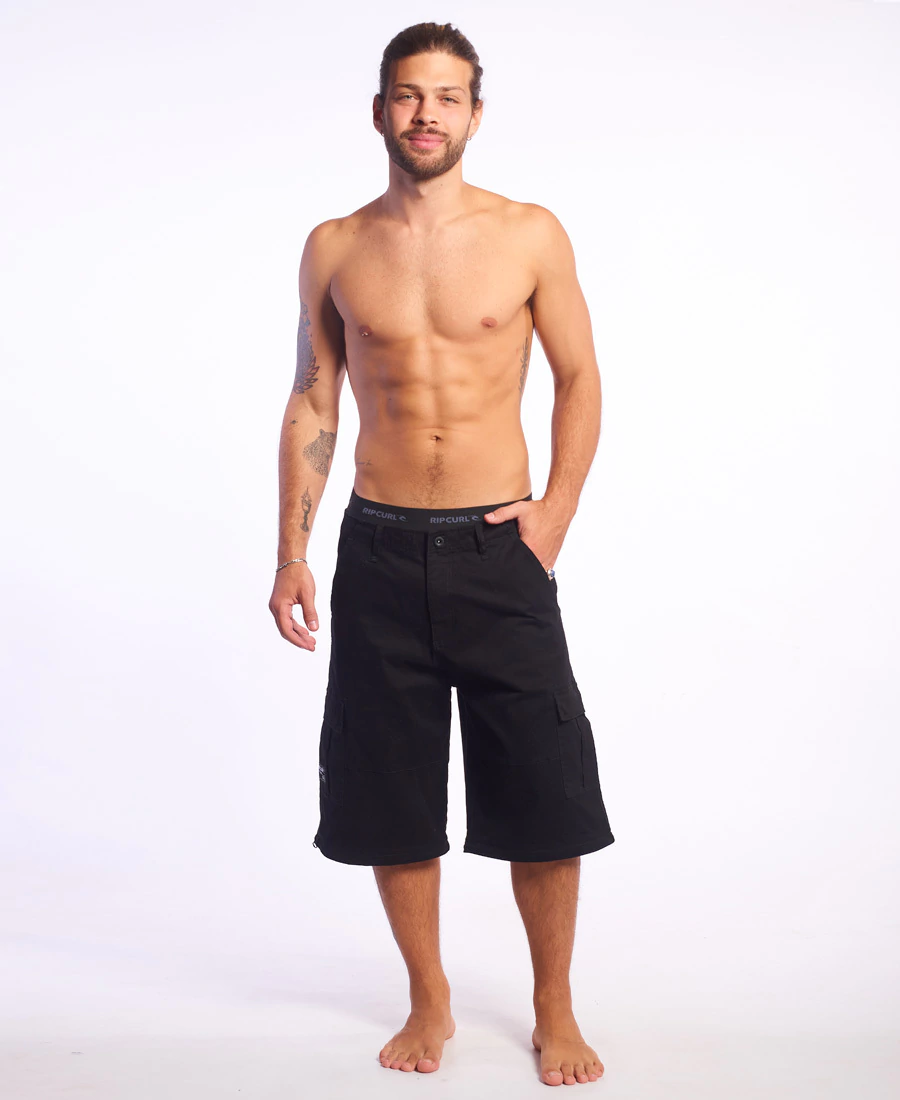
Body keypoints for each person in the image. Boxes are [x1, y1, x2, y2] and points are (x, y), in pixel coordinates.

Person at [268, 22, 613, 1088]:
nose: (427, 114)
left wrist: (555, 512)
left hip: (498, 547)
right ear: (381, 110)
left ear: (475, 113)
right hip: (378, 548)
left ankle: (554, 1006)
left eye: (448, 97)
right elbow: (313, 397)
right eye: (410, 96)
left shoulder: (529, 234)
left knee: (543, 788)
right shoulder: (334, 245)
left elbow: (580, 376)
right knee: (390, 791)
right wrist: (291, 550)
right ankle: (430, 995)